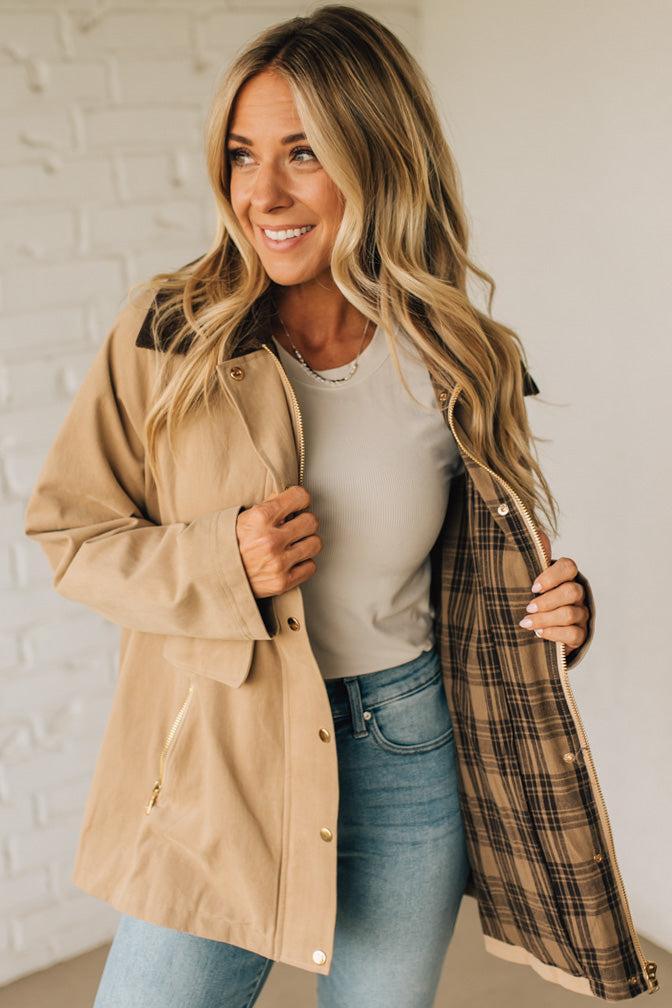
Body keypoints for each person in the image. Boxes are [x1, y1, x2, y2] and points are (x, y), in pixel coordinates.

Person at [23, 5, 657, 1007]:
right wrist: (220, 561)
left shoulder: (462, 355)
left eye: (303, 154)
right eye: (241, 155)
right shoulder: (167, 332)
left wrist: (551, 619)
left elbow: (478, 574)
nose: (261, 193)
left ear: (379, 157)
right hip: (223, 751)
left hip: (410, 755)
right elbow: (70, 536)